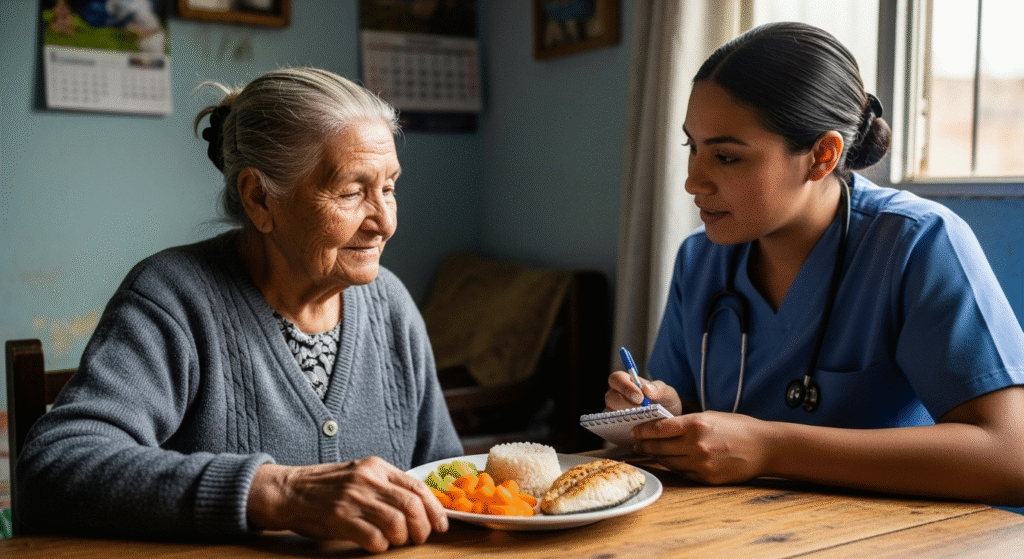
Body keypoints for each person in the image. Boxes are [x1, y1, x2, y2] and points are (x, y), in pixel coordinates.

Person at [17, 67, 463, 552]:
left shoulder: (391, 305)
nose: (384, 222)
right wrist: (279, 491)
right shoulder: (174, 298)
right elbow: (52, 466)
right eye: (352, 192)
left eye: (389, 188)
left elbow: (451, 481)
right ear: (259, 198)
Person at [604, 22, 1024, 506]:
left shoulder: (917, 244)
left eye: (726, 157)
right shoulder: (700, 260)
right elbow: (701, 421)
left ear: (822, 156)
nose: (692, 181)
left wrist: (772, 448)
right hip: (730, 528)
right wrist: (667, 413)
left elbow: (1011, 457)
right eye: (692, 147)